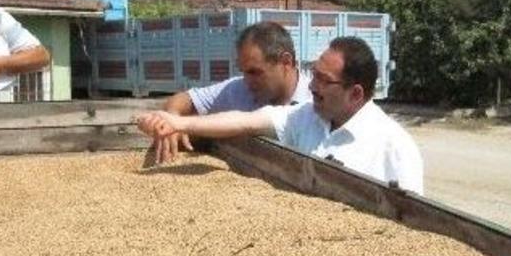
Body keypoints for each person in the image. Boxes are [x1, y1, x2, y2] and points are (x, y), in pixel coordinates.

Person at [137, 36, 424, 194]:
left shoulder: (395, 148)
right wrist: (178, 122)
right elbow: (243, 121)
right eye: (314, 75)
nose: (311, 86)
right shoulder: (304, 116)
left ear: (356, 94)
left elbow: (413, 220)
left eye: (324, 81)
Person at [151, 21, 312, 164]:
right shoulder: (238, 89)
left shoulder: (314, 103)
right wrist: (173, 118)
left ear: (286, 62)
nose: (247, 81)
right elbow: (184, 99)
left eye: (255, 72)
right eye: (243, 72)